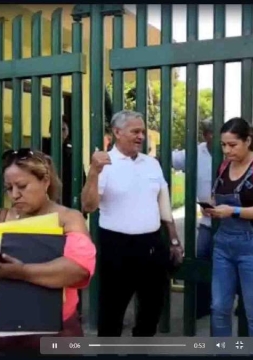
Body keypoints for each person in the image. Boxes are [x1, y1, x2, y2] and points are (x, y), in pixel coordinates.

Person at [0, 149, 96, 355]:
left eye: (22, 186)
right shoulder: (0, 217)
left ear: (45, 181)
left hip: (55, 335)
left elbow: (79, 269)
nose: (14, 195)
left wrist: (22, 272)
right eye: (8, 188)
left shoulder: (68, 218)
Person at [81, 110, 184, 337]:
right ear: (117, 132)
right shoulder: (104, 164)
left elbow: (163, 204)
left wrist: (174, 239)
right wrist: (93, 172)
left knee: (151, 311)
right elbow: (88, 206)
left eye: (142, 132)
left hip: (151, 245)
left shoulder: (151, 164)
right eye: (135, 131)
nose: (141, 137)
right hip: (117, 246)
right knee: (112, 315)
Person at [203, 117, 253, 337]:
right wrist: (212, 208)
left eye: (232, 145)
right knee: (218, 307)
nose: (226, 150)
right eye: (223, 145)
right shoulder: (224, 166)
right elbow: (217, 197)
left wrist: (234, 211)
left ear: (248, 141)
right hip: (223, 244)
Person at [171, 118, 214, 319]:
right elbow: (167, 158)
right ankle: (202, 306)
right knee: (202, 263)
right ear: (205, 135)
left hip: (236, 221)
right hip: (208, 223)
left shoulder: (235, 151)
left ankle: (241, 306)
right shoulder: (196, 153)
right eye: (213, 132)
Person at [42, 116, 87, 210]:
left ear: (68, 131)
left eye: (63, 129)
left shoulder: (72, 150)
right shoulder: (42, 146)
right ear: (50, 130)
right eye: (56, 129)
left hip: (68, 197)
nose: (60, 133)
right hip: (47, 195)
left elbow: (80, 176)